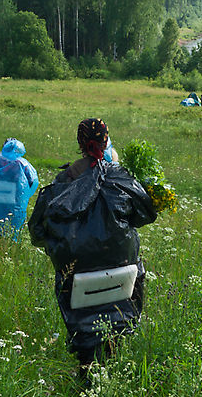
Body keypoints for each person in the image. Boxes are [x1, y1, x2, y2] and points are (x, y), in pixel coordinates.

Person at [29, 118, 156, 373]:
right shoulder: (120, 177)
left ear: (80, 144)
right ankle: (113, 352)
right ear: (106, 140)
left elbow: (38, 232)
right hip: (122, 271)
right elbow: (146, 214)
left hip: (77, 275)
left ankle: (86, 360)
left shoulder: (63, 181)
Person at [0, 138, 39, 241]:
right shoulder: (23, 164)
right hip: (13, 197)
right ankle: (6, 244)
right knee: (9, 222)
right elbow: (33, 181)